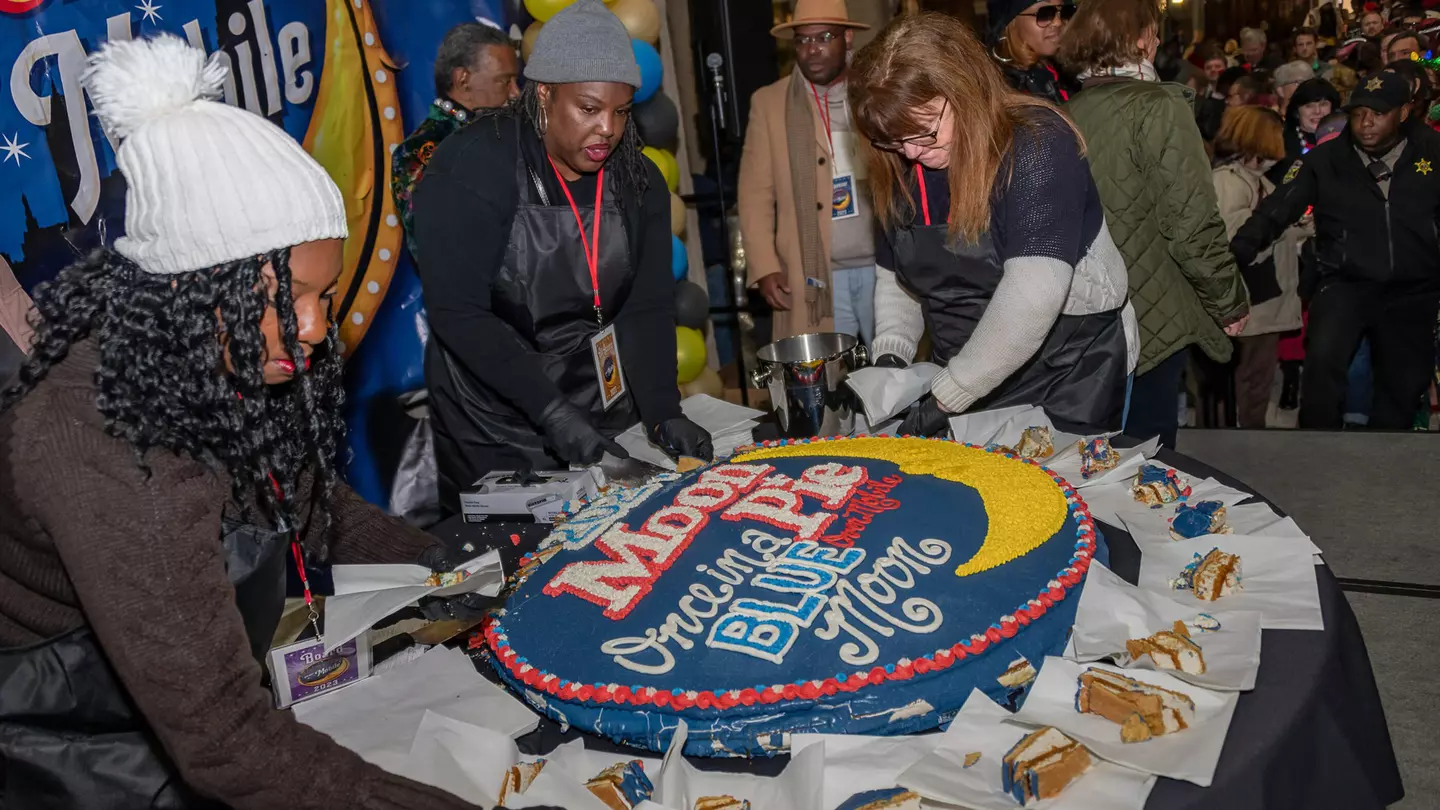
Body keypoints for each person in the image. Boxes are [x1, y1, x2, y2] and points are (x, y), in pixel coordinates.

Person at [0, 36, 497, 810]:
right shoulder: (108, 444)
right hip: (68, 739)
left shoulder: (212, 355)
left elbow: (316, 509)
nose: (312, 329)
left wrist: (466, 572)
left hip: (172, 703)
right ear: (199, 286)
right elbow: (227, 744)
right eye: (288, 296)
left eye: (325, 300)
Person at [411, 0, 711, 510]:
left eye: (620, 112)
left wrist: (663, 411)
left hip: (592, 396)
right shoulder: (472, 167)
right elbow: (458, 314)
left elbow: (647, 305)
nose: (608, 131)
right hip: (492, 416)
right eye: (589, 110)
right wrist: (551, 413)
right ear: (544, 94)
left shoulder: (638, 182)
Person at [850, 13, 1136, 436]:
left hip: (1070, 370)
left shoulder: (1038, 145)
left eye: (925, 132)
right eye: (893, 139)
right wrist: (892, 356)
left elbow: (1033, 295)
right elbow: (897, 277)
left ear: (964, 91)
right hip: (968, 368)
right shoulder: (901, 157)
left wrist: (951, 394)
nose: (910, 152)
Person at [1060, 0, 1251, 448]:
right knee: (1148, 454)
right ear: (1141, 39)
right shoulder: (1159, 105)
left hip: (1085, 310)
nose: (1159, 40)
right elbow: (1191, 220)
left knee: (1099, 449)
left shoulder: (1068, 111)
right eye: (1154, 30)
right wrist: (1229, 299)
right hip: (1151, 312)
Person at [1231, 70, 1440, 429]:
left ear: (1403, 113)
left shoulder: (1432, 152)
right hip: (1345, 283)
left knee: (1402, 385)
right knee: (1323, 369)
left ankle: (1387, 461)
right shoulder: (1325, 160)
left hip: (1413, 288)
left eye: (1378, 113)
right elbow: (1277, 209)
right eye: (1359, 114)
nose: (1366, 123)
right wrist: (1242, 247)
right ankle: (1319, 451)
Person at [737, 0, 876, 343]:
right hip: (811, 275)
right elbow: (754, 194)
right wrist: (764, 265)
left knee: (894, 377)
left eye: (823, 37)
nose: (811, 50)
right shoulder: (769, 103)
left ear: (847, 39)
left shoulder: (877, 94)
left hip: (885, 269)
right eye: (802, 40)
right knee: (825, 381)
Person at [1212, 107, 1305, 427]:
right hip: (1251, 301)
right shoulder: (1230, 181)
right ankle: (1245, 445)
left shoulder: (1256, 179)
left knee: (1258, 381)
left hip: (1264, 301)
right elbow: (1236, 236)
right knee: (1251, 382)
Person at [391, 22, 519, 252]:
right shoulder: (418, 152)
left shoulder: (509, 134)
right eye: (504, 80)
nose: (515, 93)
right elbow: (443, 245)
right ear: (463, 79)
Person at [986, 0, 1077, 103]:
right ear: (1011, 24)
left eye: (1064, 12)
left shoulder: (1068, 73)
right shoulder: (1001, 93)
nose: (1058, 22)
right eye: (1044, 13)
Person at [1268, 77, 1342, 183]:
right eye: (1309, 106)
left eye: (1323, 104)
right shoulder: (1280, 142)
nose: (1317, 111)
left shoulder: (1344, 140)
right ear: (1296, 112)